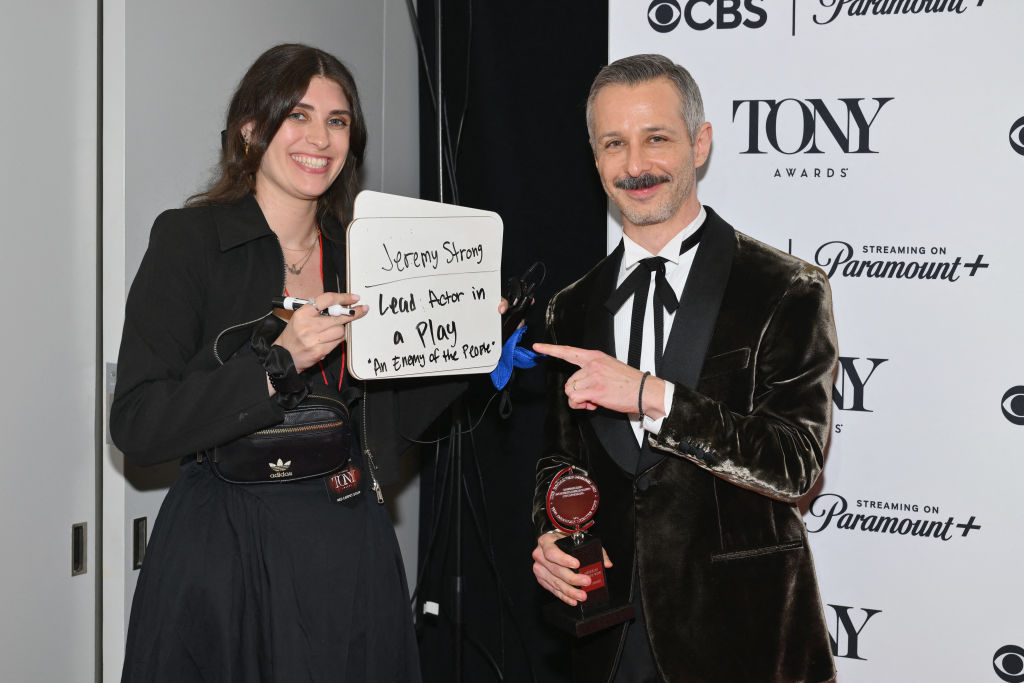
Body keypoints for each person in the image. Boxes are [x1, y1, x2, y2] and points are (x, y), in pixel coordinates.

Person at [110, 43, 480, 682]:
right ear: (251, 130)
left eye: (337, 122)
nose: (320, 138)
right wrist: (277, 364)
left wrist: (471, 341)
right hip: (226, 547)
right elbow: (138, 425)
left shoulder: (369, 255)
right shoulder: (189, 241)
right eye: (299, 116)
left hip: (347, 539)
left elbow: (390, 422)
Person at [529, 54, 839, 683]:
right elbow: (561, 460)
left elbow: (796, 465)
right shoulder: (570, 307)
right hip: (606, 637)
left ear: (700, 144)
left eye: (657, 139)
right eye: (614, 143)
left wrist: (652, 396)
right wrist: (549, 531)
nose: (635, 165)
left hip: (743, 637)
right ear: (595, 157)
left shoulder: (784, 289)